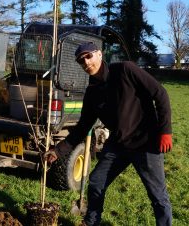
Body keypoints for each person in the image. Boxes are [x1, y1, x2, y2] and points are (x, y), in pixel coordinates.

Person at [44, 42, 173, 226]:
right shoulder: (92, 93)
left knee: (157, 195)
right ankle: (91, 222)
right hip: (119, 145)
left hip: (146, 142)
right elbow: (82, 127)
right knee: (96, 182)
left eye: (88, 56)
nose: (86, 62)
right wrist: (58, 151)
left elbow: (160, 93)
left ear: (99, 55)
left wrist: (165, 131)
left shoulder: (126, 70)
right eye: (81, 61)